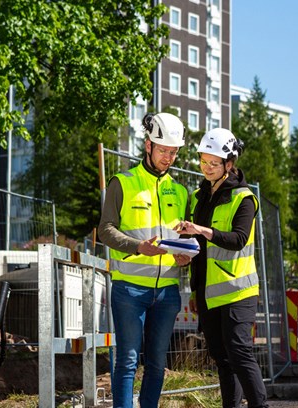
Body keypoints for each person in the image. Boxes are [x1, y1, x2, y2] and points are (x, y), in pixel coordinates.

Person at [98, 112, 191, 408]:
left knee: (156, 364)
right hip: (129, 290)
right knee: (126, 361)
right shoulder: (122, 182)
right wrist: (138, 246)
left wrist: (185, 255)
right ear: (148, 145)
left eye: (174, 152)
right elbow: (106, 230)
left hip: (167, 292)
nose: (169, 158)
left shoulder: (180, 191)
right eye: (164, 150)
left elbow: (184, 238)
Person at [175, 128, 267, 408]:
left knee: (239, 354)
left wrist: (202, 230)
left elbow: (238, 240)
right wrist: (184, 253)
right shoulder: (197, 196)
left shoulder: (244, 198)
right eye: (203, 161)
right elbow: (196, 243)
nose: (207, 168)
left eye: (213, 163)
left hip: (238, 291)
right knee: (221, 358)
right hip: (205, 291)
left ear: (230, 163)